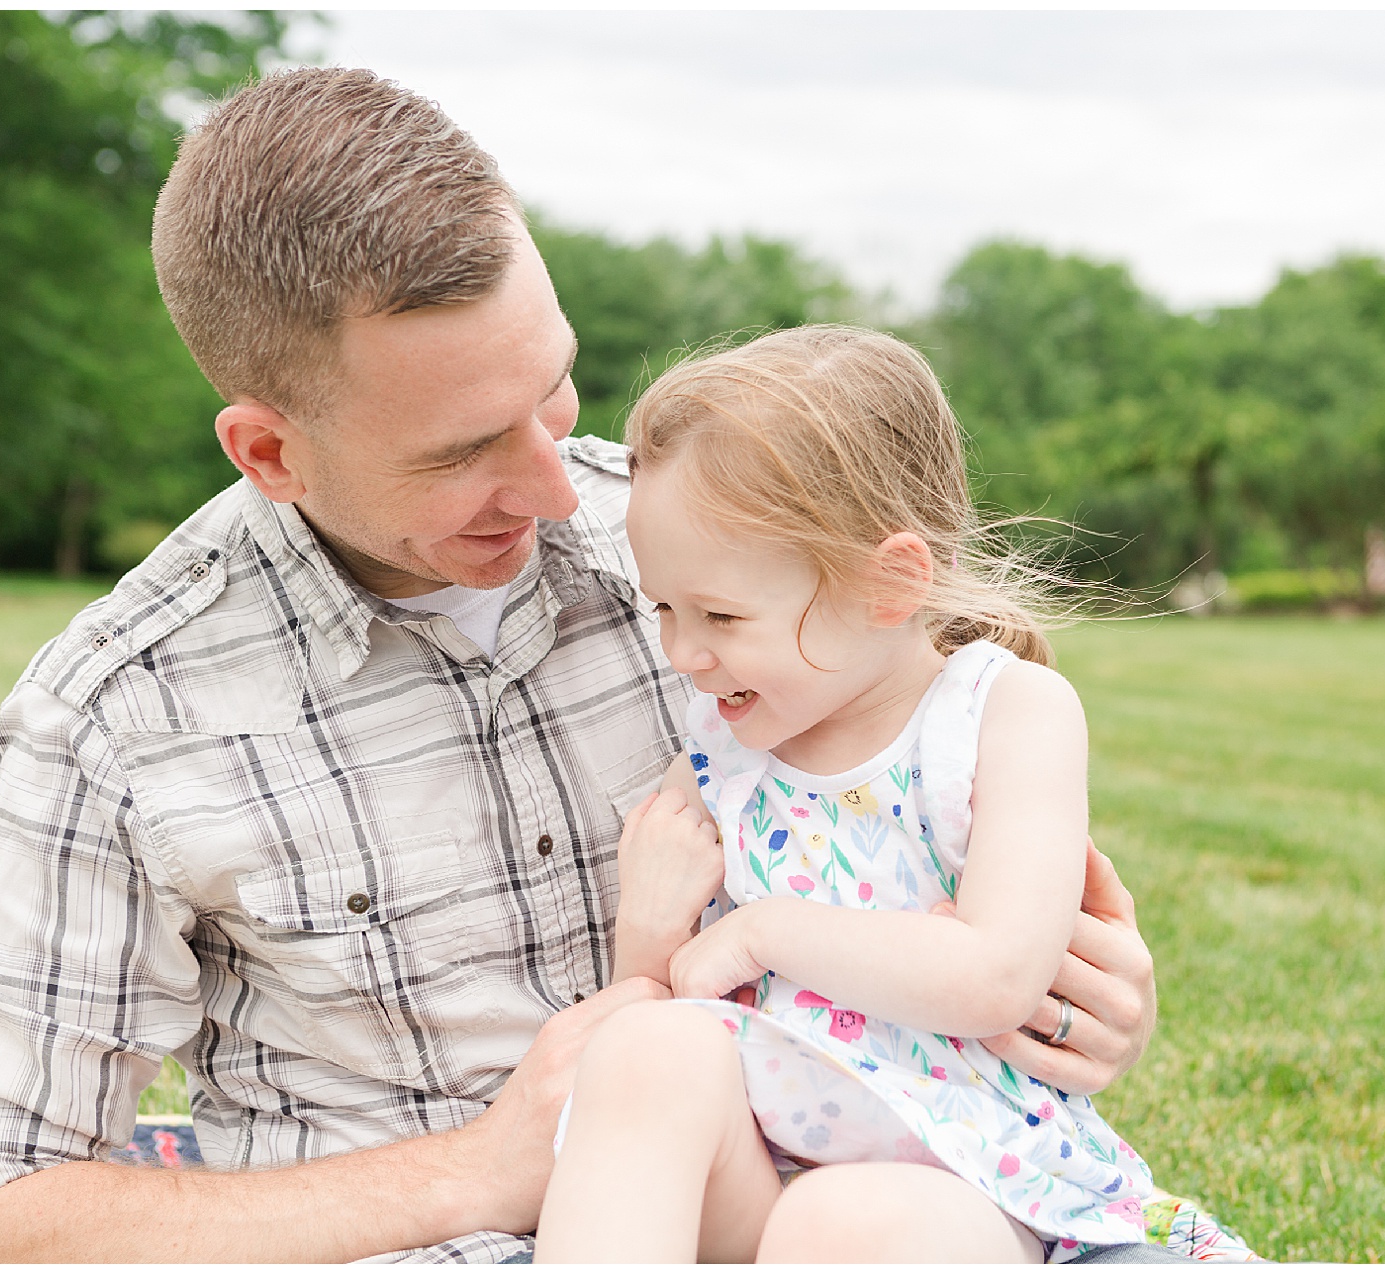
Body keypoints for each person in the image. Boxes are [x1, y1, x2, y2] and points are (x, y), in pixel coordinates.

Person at [0, 69, 1160, 1264]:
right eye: (462, 450)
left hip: (832, 1194)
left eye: (554, 391)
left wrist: (1068, 1001)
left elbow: (943, 808)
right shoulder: (124, 713)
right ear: (271, 451)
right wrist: (474, 1168)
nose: (564, 490)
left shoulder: (714, 550)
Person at [535, 326, 1256, 1264]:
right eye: (664, 608)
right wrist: (647, 929)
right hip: (768, 1166)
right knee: (640, 1055)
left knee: (844, 1223)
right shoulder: (723, 747)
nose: (682, 652)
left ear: (889, 582)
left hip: (970, 1184)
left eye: (719, 614)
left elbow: (997, 973)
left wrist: (763, 929)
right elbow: (667, 996)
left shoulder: (1002, 715)